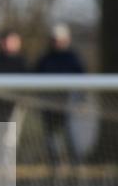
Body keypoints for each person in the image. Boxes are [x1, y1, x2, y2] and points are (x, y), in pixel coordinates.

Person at [34, 23, 85, 165]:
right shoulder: (45, 59)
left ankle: (77, 166)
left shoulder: (73, 58)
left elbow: (81, 80)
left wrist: (80, 100)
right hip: (49, 104)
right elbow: (35, 79)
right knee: (51, 138)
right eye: (55, 39)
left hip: (68, 103)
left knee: (71, 135)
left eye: (60, 39)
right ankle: (55, 167)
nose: (57, 42)